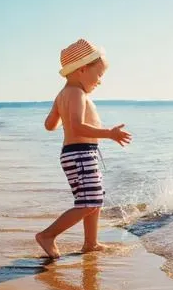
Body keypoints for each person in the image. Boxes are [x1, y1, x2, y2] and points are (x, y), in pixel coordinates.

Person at [35, 39, 132, 258]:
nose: (100, 81)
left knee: (94, 199)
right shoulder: (77, 94)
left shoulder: (63, 94)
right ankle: (48, 235)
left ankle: (91, 243)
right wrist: (109, 133)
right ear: (82, 69)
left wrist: (62, 115)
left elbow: (49, 125)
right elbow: (78, 125)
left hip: (78, 153)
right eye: (99, 75)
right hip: (79, 153)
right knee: (89, 201)